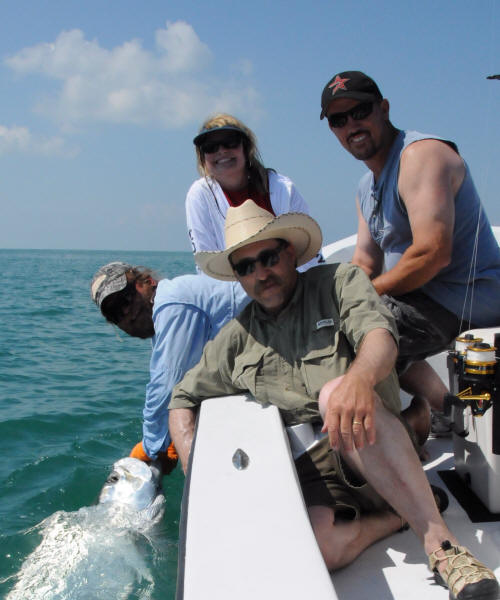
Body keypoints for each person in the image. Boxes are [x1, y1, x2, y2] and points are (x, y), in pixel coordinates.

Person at [168, 200, 498, 600]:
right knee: (316, 551)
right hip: (315, 471)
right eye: (245, 266)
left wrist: (358, 381)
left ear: (290, 253)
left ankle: (443, 546)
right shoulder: (237, 335)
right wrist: (196, 469)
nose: (260, 273)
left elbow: (380, 336)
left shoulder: (340, 282)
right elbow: (182, 397)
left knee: (335, 393)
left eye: (268, 257)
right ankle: (396, 517)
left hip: (370, 440)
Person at [319, 70, 500, 425]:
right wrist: (328, 301)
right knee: (330, 324)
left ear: (383, 109)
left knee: (349, 340)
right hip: (421, 300)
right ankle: (440, 409)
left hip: (465, 299)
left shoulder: (420, 156)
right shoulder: (364, 187)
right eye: (339, 119)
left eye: (360, 112)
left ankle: (396, 435)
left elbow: (433, 253)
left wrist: (366, 297)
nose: (351, 125)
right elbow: (365, 262)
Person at [90, 262, 249, 470]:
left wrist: (150, 448)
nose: (127, 312)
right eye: (115, 312)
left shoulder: (171, 304)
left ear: (147, 282)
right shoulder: (164, 314)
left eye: (125, 298)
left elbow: (167, 384)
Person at [185, 112, 324, 270]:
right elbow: (205, 264)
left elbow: (310, 251)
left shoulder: (284, 188)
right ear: (202, 157)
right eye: (210, 147)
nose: (221, 151)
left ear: (246, 147)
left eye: (230, 142)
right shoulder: (199, 195)